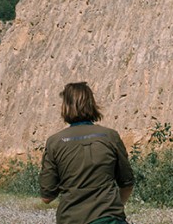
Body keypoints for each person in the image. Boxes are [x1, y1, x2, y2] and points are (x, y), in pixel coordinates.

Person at [40, 82, 135, 224]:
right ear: (91, 104)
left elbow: (47, 197)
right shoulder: (110, 136)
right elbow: (127, 183)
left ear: (65, 107)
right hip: (110, 218)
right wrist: (113, 209)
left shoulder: (54, 142)